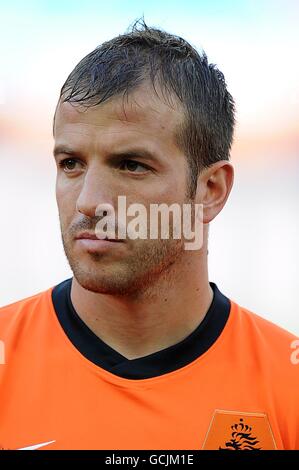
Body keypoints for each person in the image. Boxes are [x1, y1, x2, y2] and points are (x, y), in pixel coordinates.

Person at [0, 20, 298, 451]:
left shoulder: (287, 384)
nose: (88, 201)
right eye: (70, 163)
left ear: (210, 191)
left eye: (131, 165)